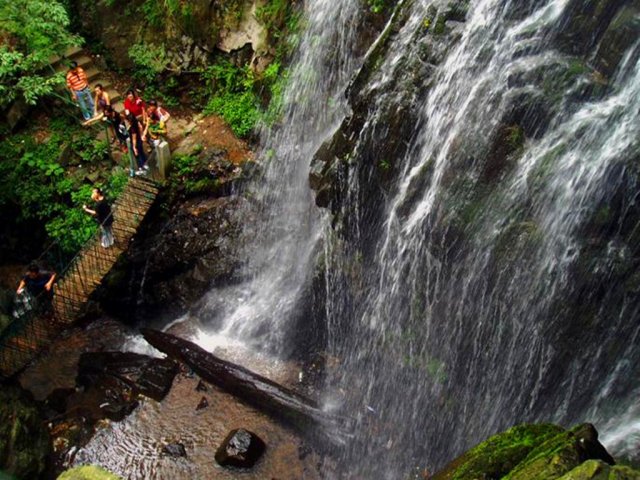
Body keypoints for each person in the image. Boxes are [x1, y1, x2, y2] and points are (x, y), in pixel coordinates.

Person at [125, 110, 148, 175]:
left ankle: (141, 169)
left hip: (136, 143)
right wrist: (141, 135)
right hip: (140, 141)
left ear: (130, 121)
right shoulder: (137, 122)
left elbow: (134, 139)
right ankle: (146, 165)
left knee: (138, 157)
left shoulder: (133, 129)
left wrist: (134, 147)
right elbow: (140, 128)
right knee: (142, 153)